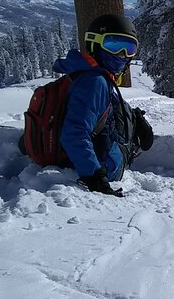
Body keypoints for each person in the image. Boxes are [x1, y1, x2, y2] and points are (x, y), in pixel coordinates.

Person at [51, 14, 153, 197]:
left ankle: (132, 126)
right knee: (122, 137)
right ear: (95, 44)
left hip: (86, 153)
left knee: (118, 107)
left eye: (129, 48)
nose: (122, 55)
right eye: (113, 45)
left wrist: (134, 117)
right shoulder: (95, 82)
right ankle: (131, 146)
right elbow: (74, 133)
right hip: (105, 167)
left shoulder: (84, 72)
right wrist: (95, 177)